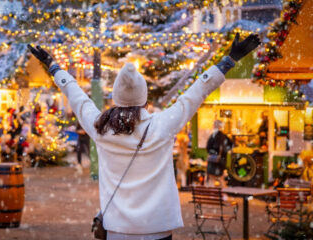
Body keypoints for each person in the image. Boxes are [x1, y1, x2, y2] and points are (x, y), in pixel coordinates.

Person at [28, 32, 260, 240]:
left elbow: (77, 97)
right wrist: (228, 61)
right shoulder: (163, 125)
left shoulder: (101, 129)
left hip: (117, 228)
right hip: (157, 227)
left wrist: (54, 67)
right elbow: (196, 92)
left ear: (116, 99)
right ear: (145, 100)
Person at [206, 120, 233, 187]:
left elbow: (209, 147)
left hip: (215, 160)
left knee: (213, 178)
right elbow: (230, 146)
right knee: (220, 177)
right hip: (221, 160)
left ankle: (214, 194)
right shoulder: (224, 136)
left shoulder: (215, 135)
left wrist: (212, 152)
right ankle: (223, 193)